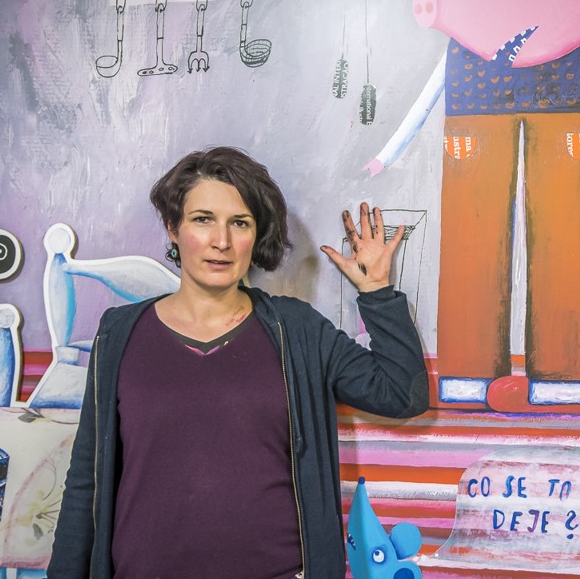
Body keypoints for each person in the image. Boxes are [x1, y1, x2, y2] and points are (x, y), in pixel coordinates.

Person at [47, 146, 429, 579]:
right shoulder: (119, 333)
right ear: (173, 227)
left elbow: (403, 393)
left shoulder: (296, 330)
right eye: (202, 219)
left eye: (240, 223)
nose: (222, 241)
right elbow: (86, 479)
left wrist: (377, 291)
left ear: (255, 234)